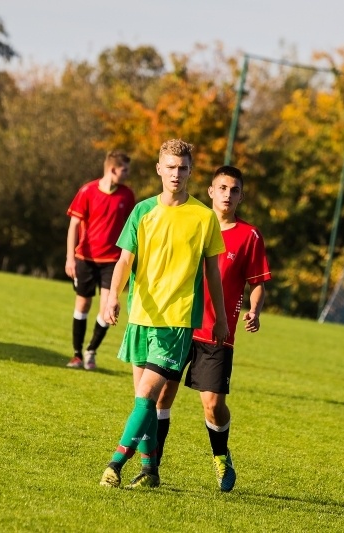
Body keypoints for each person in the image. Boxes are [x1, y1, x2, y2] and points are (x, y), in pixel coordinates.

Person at [98, 139, 229, 489]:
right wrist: (112, 298)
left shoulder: (204, 217)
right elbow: (124, 260)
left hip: (177, 321)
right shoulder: (142, 211)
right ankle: (151, 471)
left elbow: (212, 272)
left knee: (146, 397)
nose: (176, 174)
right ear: (159, 169)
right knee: (145, 402)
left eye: (183, 168)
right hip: (141, 317)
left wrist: (220, 318)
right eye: (170, 167)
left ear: (191, 171)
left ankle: (115, 464)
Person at [151, 165, 271, 492]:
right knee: (162, 395)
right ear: (211, 192)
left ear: (241, 196)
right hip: (179, 324)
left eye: (234, 190)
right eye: (222, 188)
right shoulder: (194, 222)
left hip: (218, 332)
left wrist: (254, 310)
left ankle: (220, 456)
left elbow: (257, 283)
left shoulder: (249, 236)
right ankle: (153, 466)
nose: (228, 195)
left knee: (213, 405)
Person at [64, 150, 135, 370]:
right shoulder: (87, 191)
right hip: (85, 259)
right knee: (83, 303)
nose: (127, 174)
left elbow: (132, 228)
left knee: (106, 309)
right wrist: (70, 258)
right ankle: (76, 354)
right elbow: (74, 226)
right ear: (113, 169)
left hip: (112, 261)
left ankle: (91, 351)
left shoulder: (127, 195)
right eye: (124, 170)